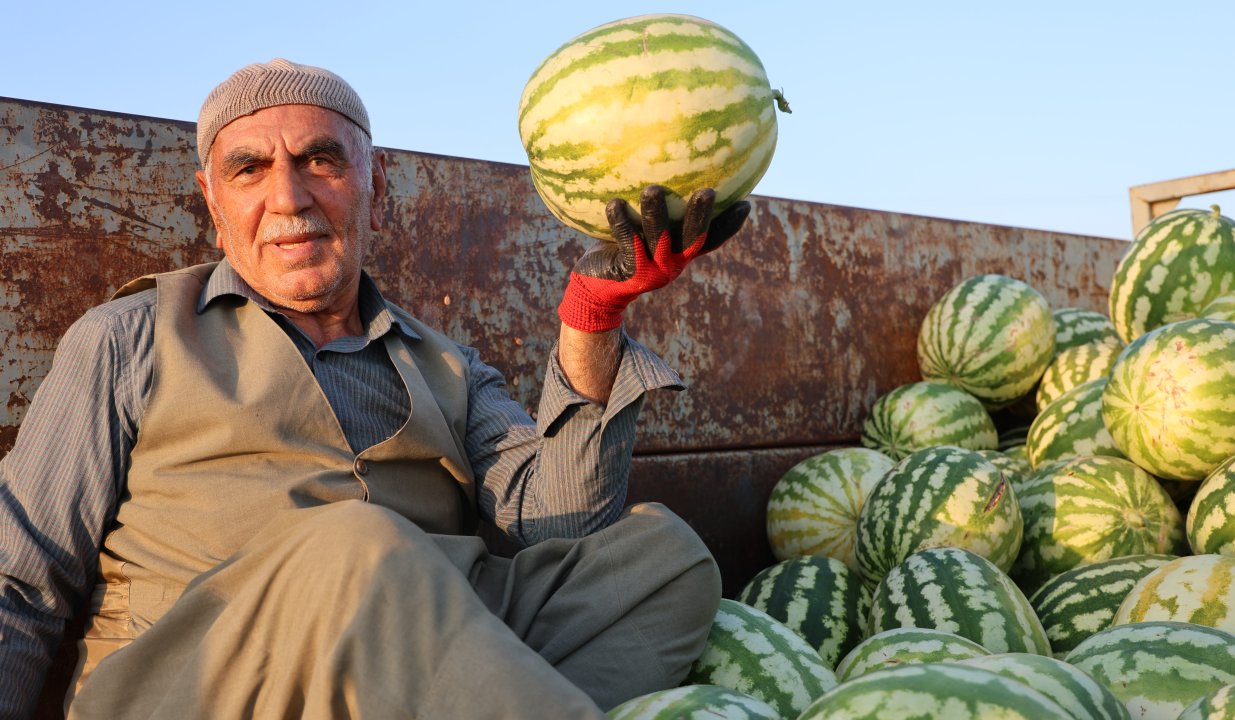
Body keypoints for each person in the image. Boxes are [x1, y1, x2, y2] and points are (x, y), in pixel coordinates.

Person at [0, 59, 750, 719]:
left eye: (321, 159)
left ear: (376, 183)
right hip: (202, 683)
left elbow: (566, 526)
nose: (289, 197)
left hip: (415, 642)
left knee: (664, 559)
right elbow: (17, 582)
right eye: (249, 169)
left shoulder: (447, 365)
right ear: (213, 205)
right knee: (359, 541)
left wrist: (593, 316)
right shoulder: (128, 338)